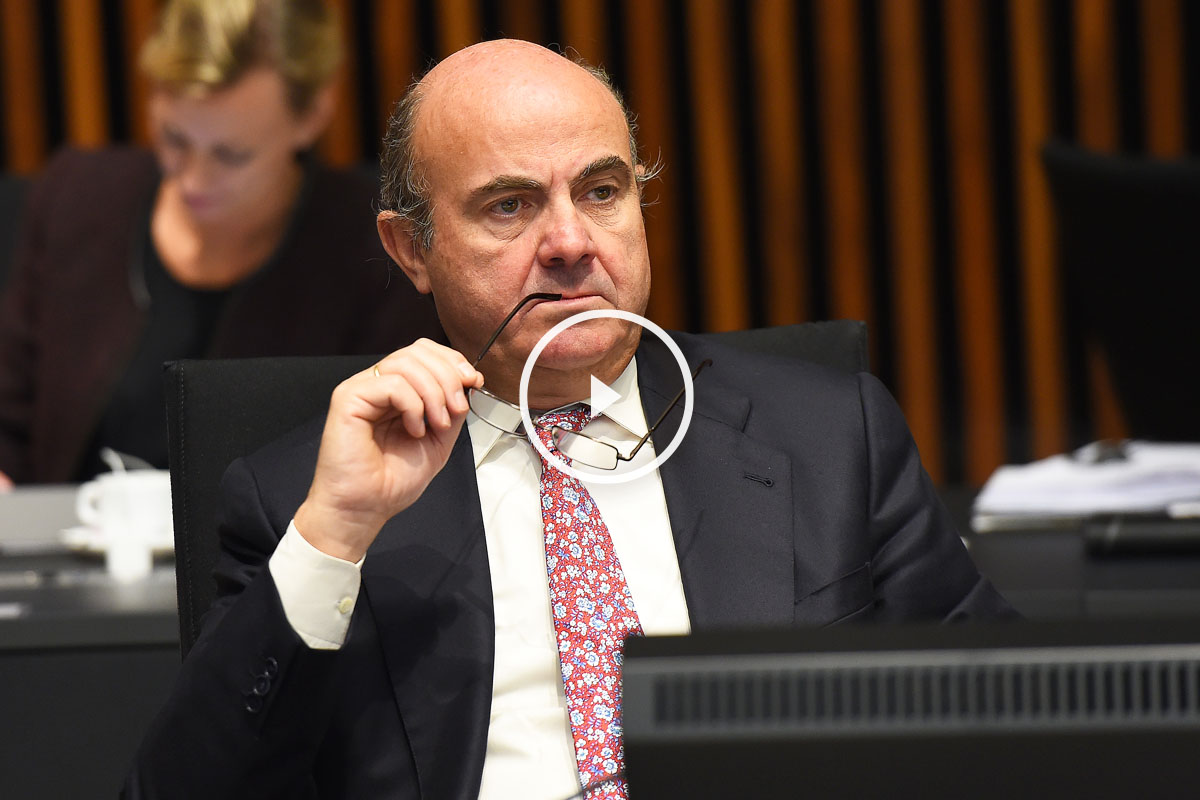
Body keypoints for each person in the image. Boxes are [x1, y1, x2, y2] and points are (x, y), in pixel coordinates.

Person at [125, 39, 1013, 799]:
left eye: (600, 191)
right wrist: (334, 536)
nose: (570, 242)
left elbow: (1006, 721)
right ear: (411, 250)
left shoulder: (828, 438)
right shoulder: (303, 503)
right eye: (508, 206)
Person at [0, 0, 441, 489]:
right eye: (174, 139)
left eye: (231, 155)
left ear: (313, 115)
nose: (192, 179)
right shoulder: (76, 199)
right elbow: (9, 418)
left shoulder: (378, 248)